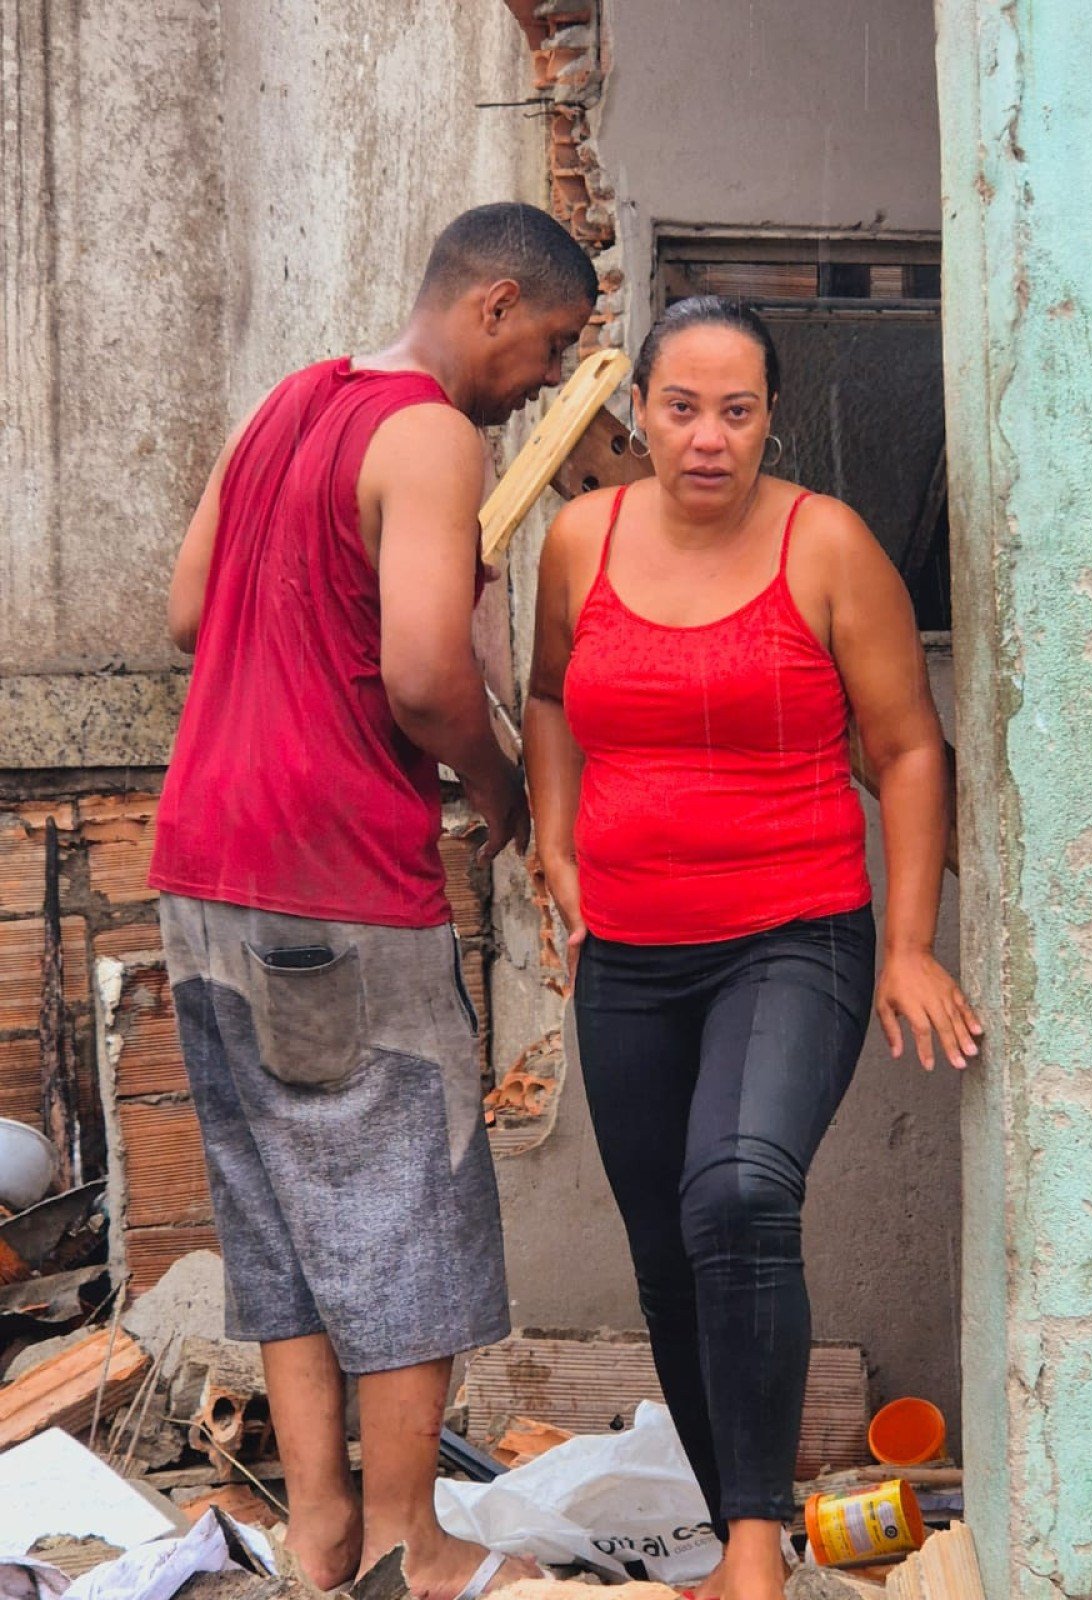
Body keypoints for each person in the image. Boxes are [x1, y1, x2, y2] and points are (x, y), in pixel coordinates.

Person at [148, 203, 596, 1599]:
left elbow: (184, 611)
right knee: (406, 1200)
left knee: (280, 1214)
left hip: (202, 868)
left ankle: (322, 1533)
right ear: (495, 304)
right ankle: (412, 1540)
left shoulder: (285, 402)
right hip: (332, 873)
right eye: (553, 347)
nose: (542, 387)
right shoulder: (429, 436)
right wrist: (506, 783)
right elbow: (422, 673)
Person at [524, 296, 982, 1600]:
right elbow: (554, 694)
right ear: (645, 414)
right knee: (669, 1258)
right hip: (630, 954)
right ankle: (748, 1523)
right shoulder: (578, 541)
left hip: (796, 936)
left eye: (737, 410)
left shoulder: (828, 548)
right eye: (681, 407)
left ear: (772, 418)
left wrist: (906, 941)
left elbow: (903, 751)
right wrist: (555, 837)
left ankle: (752, 1550)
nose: (708, 438)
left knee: (738, 1192)